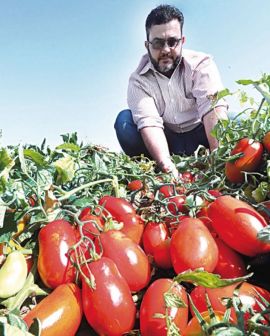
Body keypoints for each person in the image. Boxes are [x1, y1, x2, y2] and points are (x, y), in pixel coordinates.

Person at [114, 4, 228, 177]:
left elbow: (212, 107)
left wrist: (219, 159)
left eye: (172, 42)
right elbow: (149, 122)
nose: (166, 50)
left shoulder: (201, 64)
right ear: (147, 45)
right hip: (168, 139)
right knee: (124, 122)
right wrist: (166, 165)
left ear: (182, 42)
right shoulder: (138, 80)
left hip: (201, 132)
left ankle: (213, 157)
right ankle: (152, 171)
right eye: (158, 43)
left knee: (237, 121)